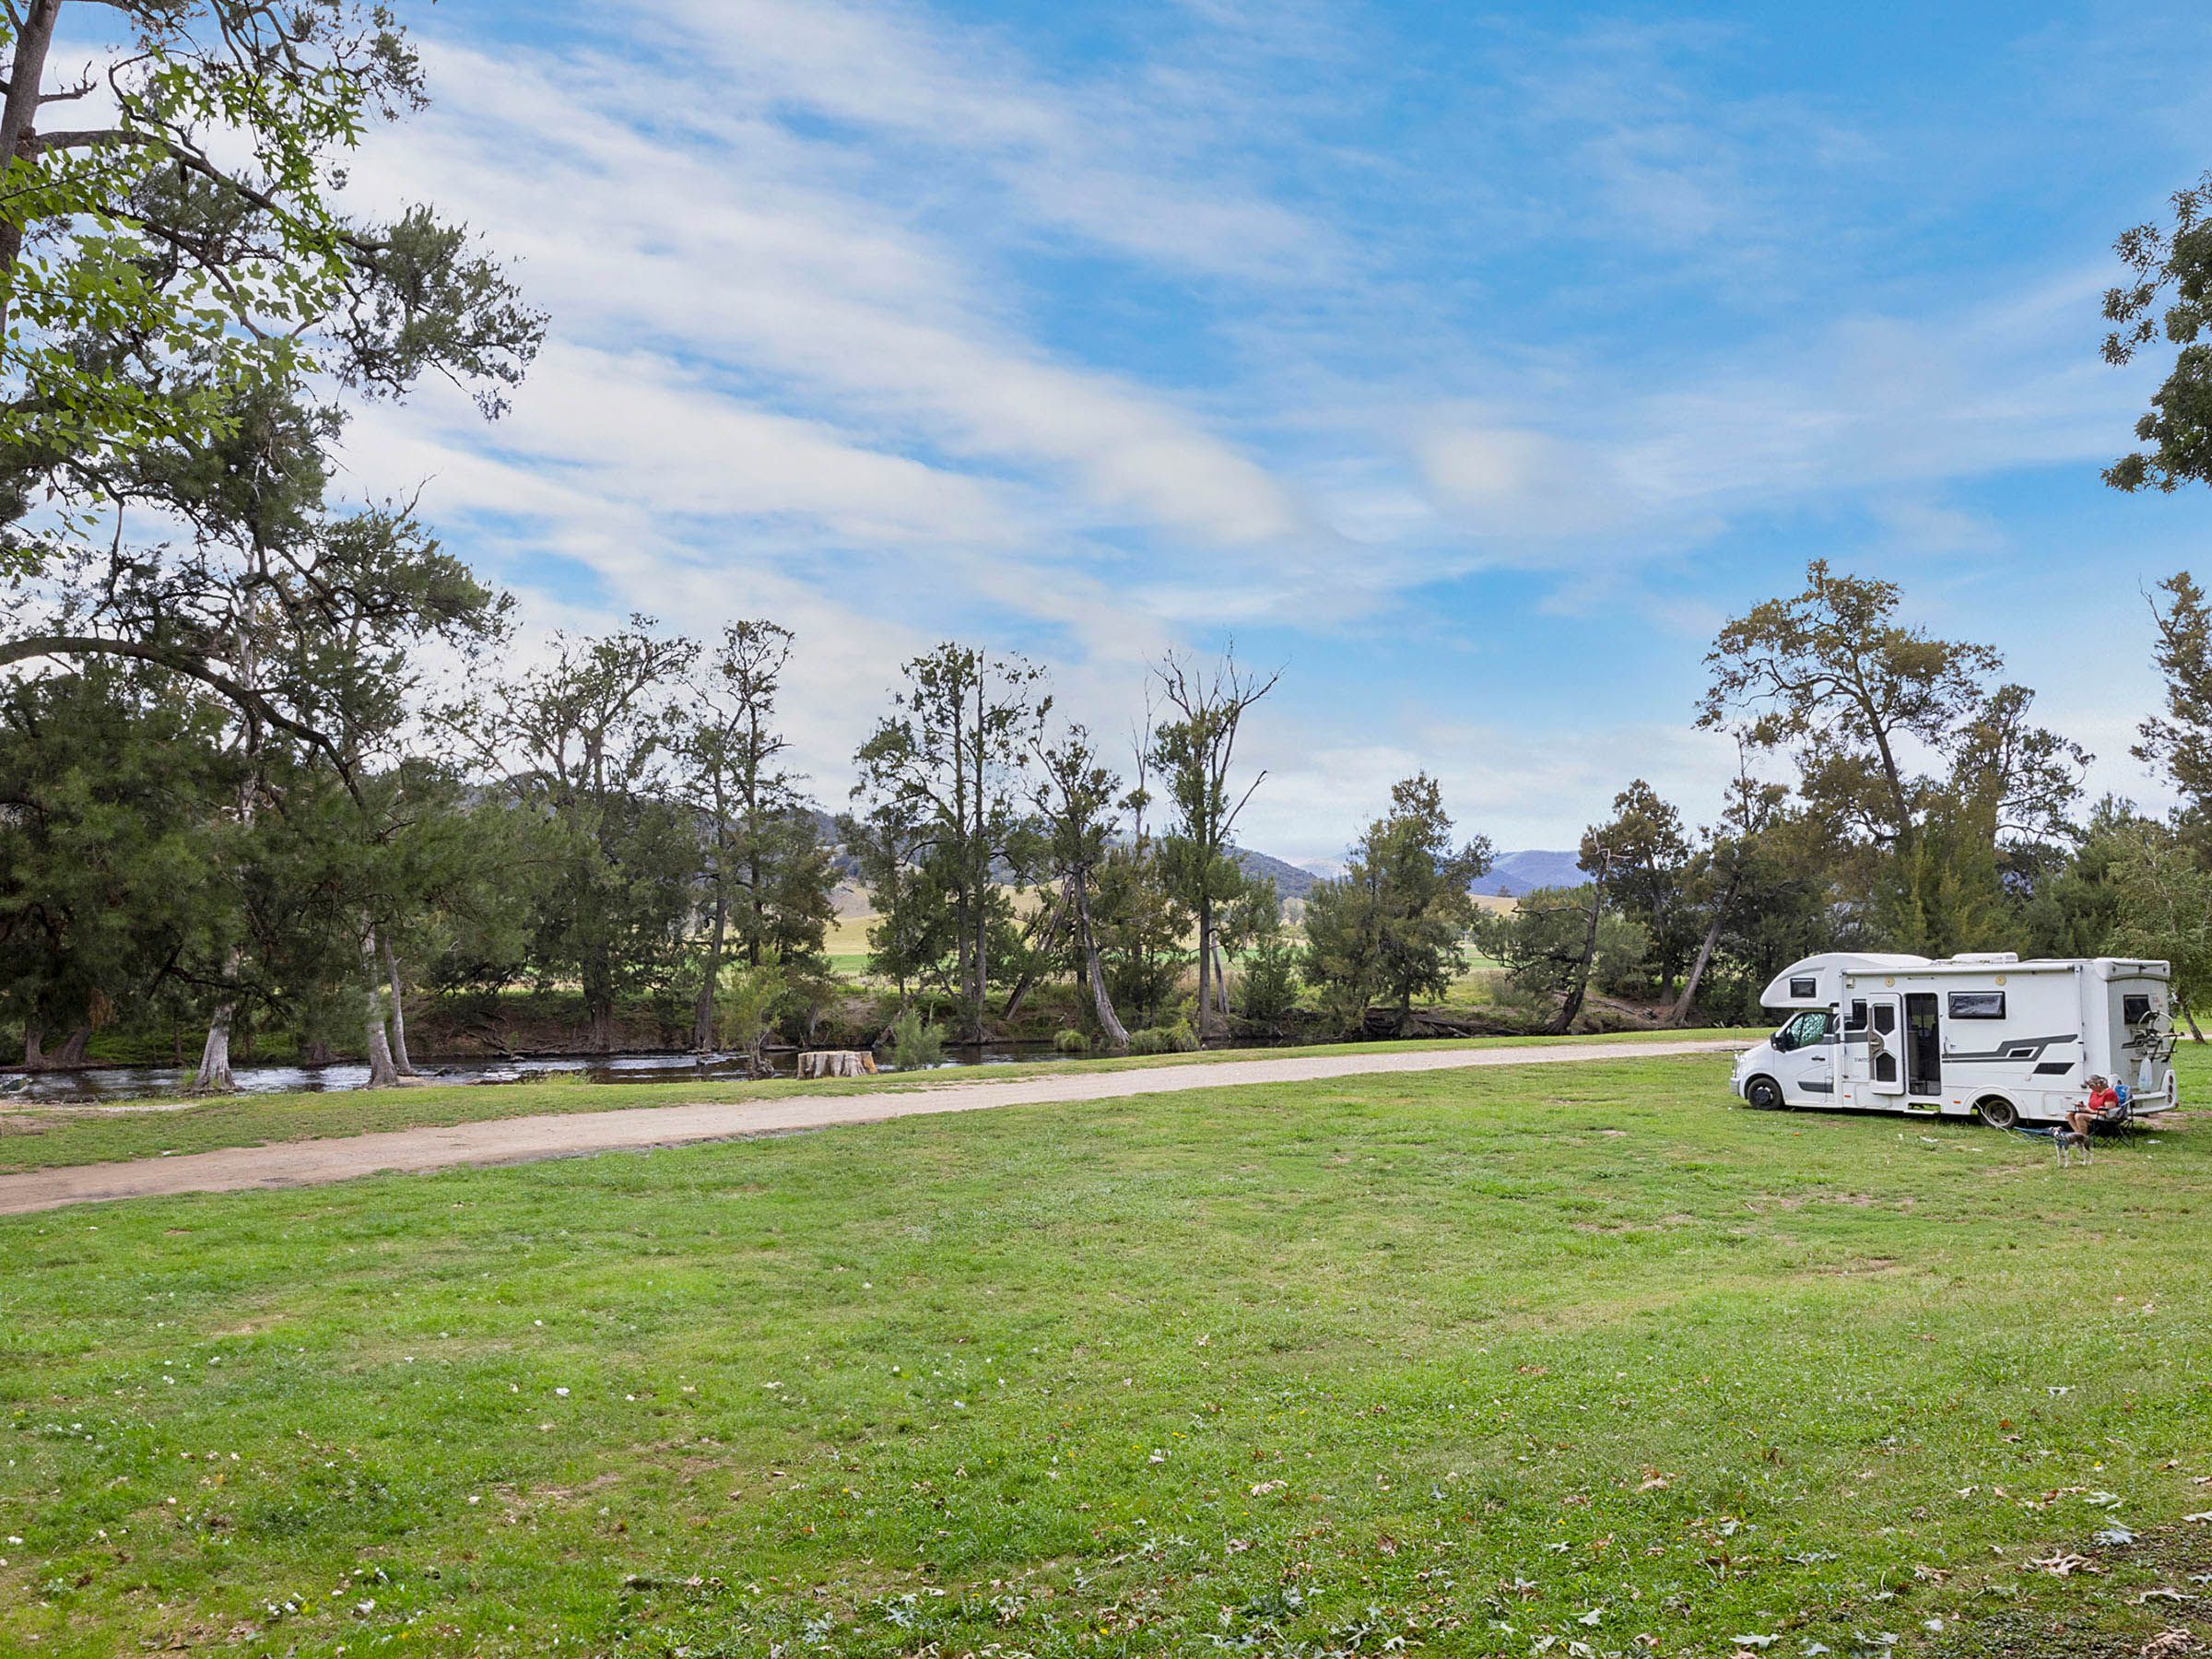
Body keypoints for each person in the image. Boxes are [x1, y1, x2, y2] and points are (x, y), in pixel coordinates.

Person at [2067, 1075, 2120, 1140]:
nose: (2090, 1088)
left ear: (2099, 1084)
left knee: (2079, 1116)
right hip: (2093, 1113)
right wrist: (2082, 1106)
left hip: (2104, 1116)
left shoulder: (2109, 1093)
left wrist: (2092, 1111)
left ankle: (2084, 1140)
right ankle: (2079, 1136)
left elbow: (2109, 1112)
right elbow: (2089, 1106)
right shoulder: (2094, 1093)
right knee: (2070, 1115)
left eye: (2091, 1086)